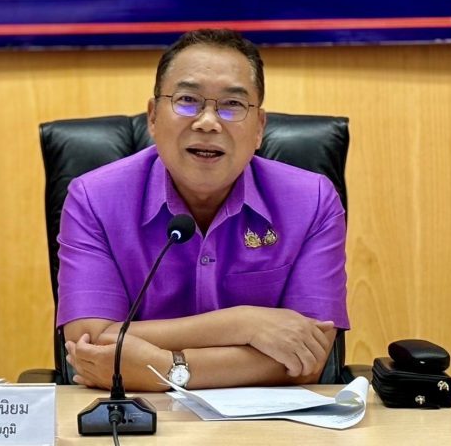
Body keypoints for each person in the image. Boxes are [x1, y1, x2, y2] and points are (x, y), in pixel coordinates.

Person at [56, 29, 348, 391]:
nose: (208, 122)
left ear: (259, 128)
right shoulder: (93, 198)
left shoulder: (313, 200)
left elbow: (309, 357)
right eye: (187, 100)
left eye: (232, 104)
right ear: (153, 117)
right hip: (137, 415)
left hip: (267, 420)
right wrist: (244, 324)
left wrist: (167, 368)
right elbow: (89, 346)